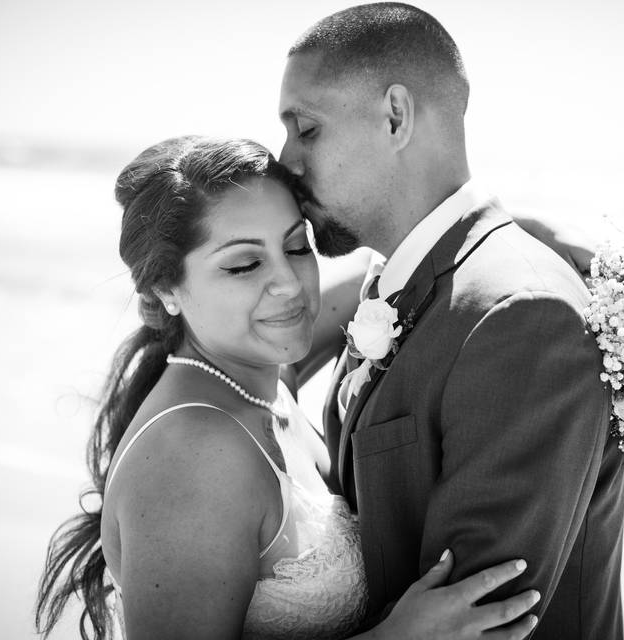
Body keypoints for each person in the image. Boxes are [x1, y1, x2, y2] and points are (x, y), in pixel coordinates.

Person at [34, 136, 542, 640]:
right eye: (243, 265)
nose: (289, 283)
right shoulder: (195, 457)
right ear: (165, 290)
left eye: (297, 246)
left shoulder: (262, 377)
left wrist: (524, 240)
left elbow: (391, 273)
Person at [279, 4, 624, 638]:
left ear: (395, 116)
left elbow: (484, 623)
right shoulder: (401, 276)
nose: (286, 160)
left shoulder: (523, 319)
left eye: (305, 129)